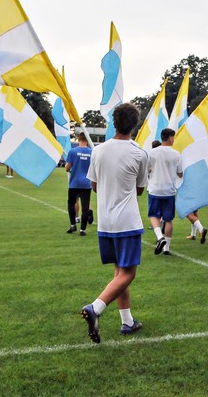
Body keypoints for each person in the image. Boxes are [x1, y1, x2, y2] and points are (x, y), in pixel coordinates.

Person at [81, 103, 148, 343]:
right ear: (135, 125)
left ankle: (127, 321)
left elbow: (95, 185)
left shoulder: (98, 151)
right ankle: (95, 308)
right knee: (128, 273)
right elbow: (140, 190)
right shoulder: (139, 153)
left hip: (105, 223)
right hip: (127, 222)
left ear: (114, 123)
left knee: (119, 271)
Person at [147, 128, 182, 255]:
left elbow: (147, 169)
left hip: (155, 188)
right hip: (169, 190)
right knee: (168, 219)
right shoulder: (176, 154)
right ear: (170, 138)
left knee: (153, 215)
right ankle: (166, 248)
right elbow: (180, 173)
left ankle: (159, 237)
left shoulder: (152, 152)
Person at [65, 133, 93, 236]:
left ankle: (73, 225)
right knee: (85, 207)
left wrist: (68, 168)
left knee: (71, 203)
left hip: (74, 183)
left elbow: (67, 168)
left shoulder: (73, 151)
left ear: (78, 139)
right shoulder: (92, 152)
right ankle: (83, 230)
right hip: (86, 183)